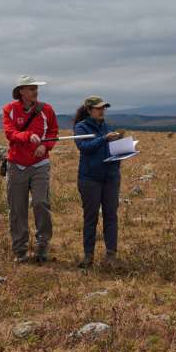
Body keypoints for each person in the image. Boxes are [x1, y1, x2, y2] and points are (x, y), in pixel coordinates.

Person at [2, 75, 59, 263]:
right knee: (17, 208)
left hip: (40, 164)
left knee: (41, 202)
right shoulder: (9, 110)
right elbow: (10, 133)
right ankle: (20, 250)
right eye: (31, 88)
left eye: (36, 88)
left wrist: (46, 146)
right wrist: (27, 136)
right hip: (16, 164)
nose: (35, 91)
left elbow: (53, 132)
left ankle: (43, 245)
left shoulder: (47, 109)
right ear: (21, 91)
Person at [73, 96, 123, 269]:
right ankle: (88, 256)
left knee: (111, 216)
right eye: (98, 108)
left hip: (111, 177)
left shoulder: (107, 127)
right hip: (90, 179)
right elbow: (84, 147)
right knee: (90, 218)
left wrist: (122, 150)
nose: (102, 111)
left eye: (104, 108)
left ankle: (111, 256)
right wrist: (104, 139)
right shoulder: (81, 127)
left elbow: (111, 150)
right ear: (89, 110)